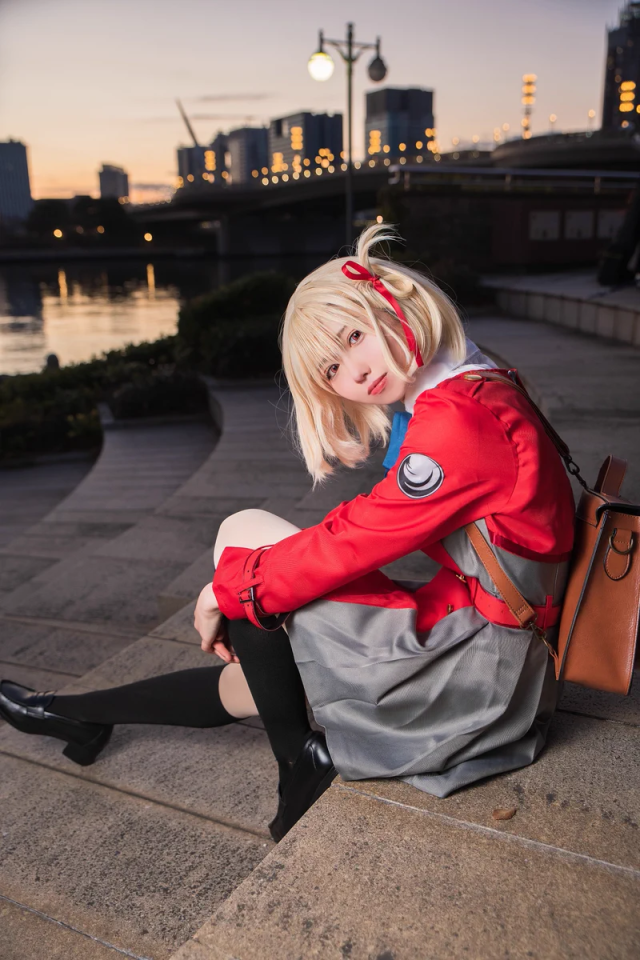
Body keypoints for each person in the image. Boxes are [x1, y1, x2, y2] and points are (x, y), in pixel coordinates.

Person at [0, 223, 575, 842]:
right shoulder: (469, 381)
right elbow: (368, 524)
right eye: (333, 368)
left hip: (483, 674)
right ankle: (75, 715)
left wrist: (228, 590)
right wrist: (245, 587)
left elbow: (357, 537)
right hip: (487, 631)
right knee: (259, 660)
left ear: (392, 303)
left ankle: (297, 762)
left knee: (250, 559)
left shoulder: (459, 420)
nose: (357, 372)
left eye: (354, 336)